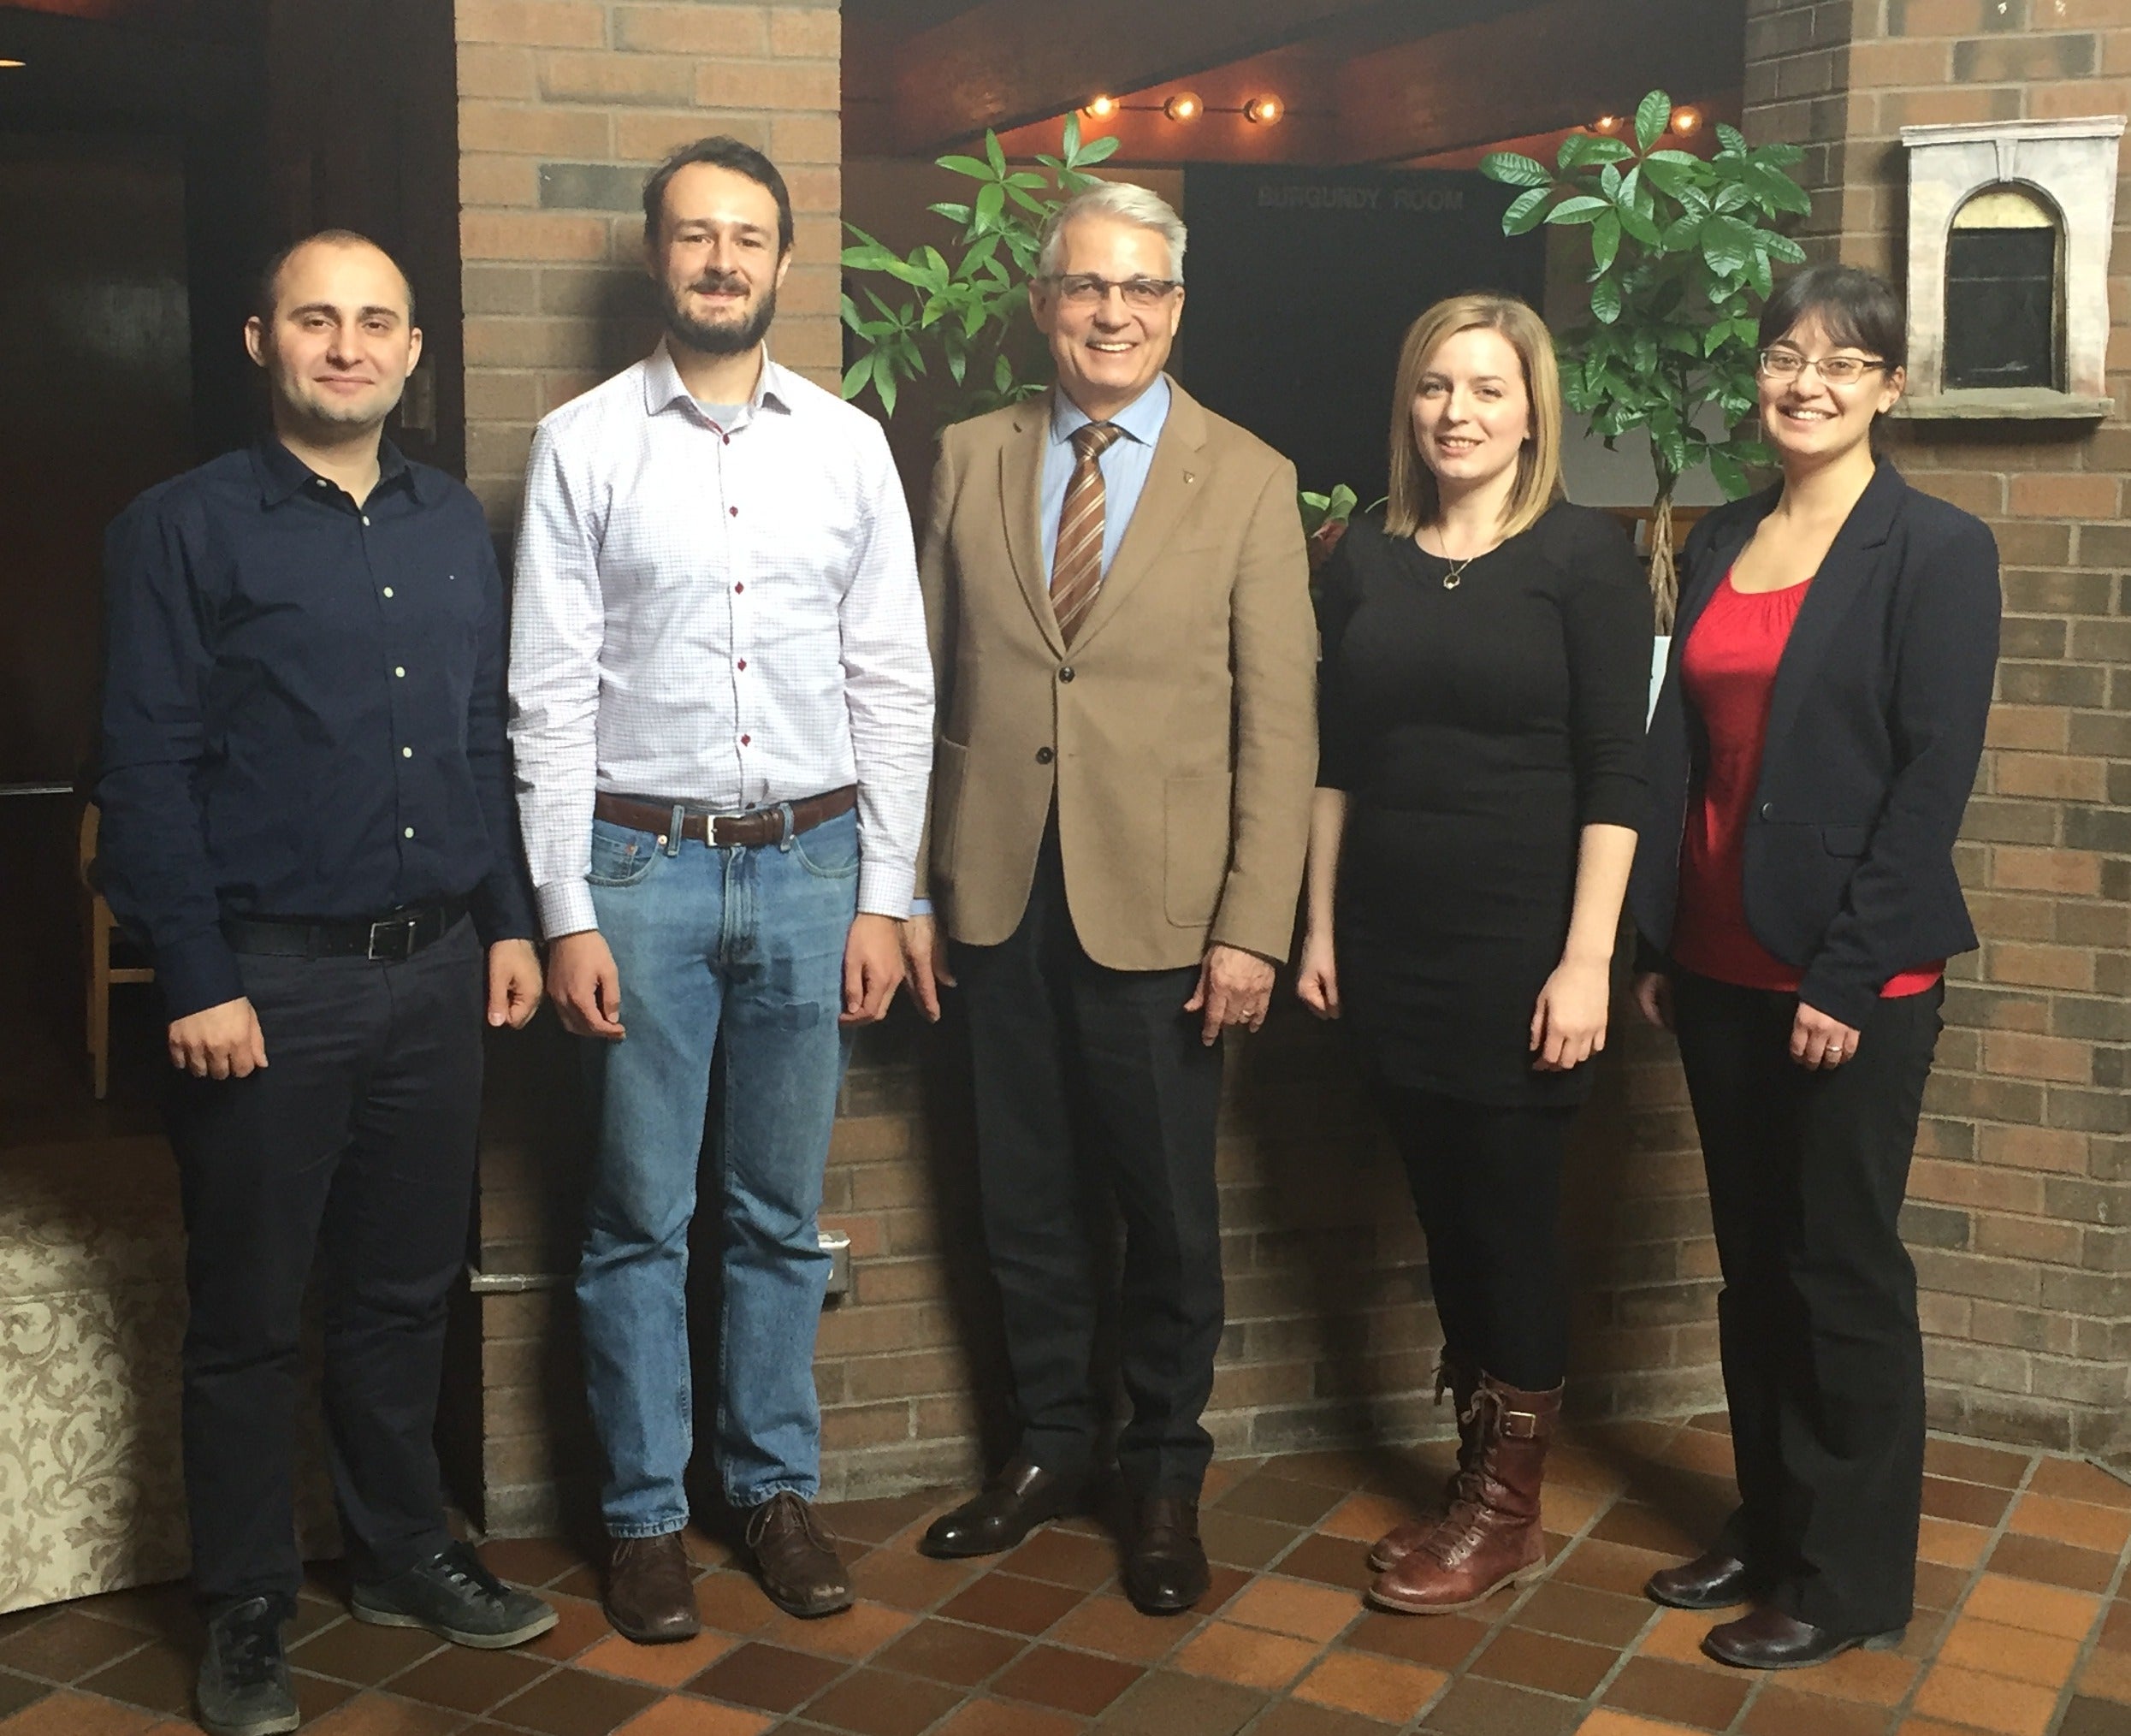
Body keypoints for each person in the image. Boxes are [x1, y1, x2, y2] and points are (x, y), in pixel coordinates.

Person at [97, 230, 555, 1736]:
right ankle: (244, 1606)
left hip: (434, 973)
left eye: (375, 322)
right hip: (264, 990)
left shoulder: (449, 528)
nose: (346, 346)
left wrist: (505, 920)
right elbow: (146, 769)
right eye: (316, 319)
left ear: (415, 350)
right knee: (246, 1312)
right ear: (260, 341)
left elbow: (483, 743)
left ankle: (403, 1547)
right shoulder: (178, 529)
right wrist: (197, 976)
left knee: (402, 1290)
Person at [508, 136, 933, 1637]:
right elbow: (549, 697)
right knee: (635, 1215)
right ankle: (641, 1515)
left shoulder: (850, 446)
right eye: (695, 235)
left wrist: (890, 891)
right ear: (655, 256)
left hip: (817, 868)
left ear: (783, 258)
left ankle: (770, 1488)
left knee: (775, 1210)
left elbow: (895, 678)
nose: (720, 261)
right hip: (641, 871)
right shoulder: (581, 446)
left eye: (746, 237)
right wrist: (564, 909)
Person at [902, 182, 1316, 1615]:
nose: (1112, 313)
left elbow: (1282, 723)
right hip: (996, 897)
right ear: (1043, 301)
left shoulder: (1249, 477)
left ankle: (1160, 1476)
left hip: (1167, 918)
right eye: (1087, 287)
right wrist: (913, 889)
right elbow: (920, 690)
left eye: (1141, 289)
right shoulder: (966, 456)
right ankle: (1048, 1449)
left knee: (1165, 1219)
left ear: (1177, 307)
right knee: (1019, 1201)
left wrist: (1254, 922)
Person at [1628, 264, 1999, 1670]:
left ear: (1889, 389)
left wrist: (1846, 978)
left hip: (1853, 980)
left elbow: (1930, 783)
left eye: (1844, 364)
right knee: (1752, 1269)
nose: (1808, 383)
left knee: (1839, 1272)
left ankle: (1846, 1578)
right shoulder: (1722, 534)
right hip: (1716, 964)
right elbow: (1680, 753)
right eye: (1787, 356)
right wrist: (1657, 936)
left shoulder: (1937, 551)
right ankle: (1772, 1522)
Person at [1296, 293, 1652, 1615]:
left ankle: (1505, 1511)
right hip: (1391, 941)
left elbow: (1619, 772)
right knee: (1449, 1217)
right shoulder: (1364, 557)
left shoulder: (1583, 560)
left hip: (1524, 950)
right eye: (1439, 386)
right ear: (1411, 402)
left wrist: (1586, 960)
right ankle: (1474, 1470)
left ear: (1531, 410)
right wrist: (1320, 923)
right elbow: (1338, 760)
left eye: (1489, 390)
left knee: (1506, 1224)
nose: (1460, 412)